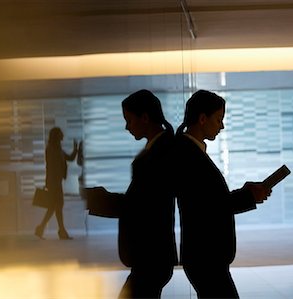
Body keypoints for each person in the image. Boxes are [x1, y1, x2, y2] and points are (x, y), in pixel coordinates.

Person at [173, 89, 272, 299]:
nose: (222, 126)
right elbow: (210, 206)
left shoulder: (190, 151)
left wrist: (247, 193)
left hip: (205, 256)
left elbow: (211, 200)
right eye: (218, 119)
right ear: (202, 119)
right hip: (206, 257)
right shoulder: (188, 155)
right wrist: (248, 196)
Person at [89, 89, 178, 298]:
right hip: (152, 257)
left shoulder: (160, 153)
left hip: (151, 257)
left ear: (144, 117)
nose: (126, 126)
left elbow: (136, 206)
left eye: (129, 120)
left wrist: (91, 198)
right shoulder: (158, 149)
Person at [35, 127, 78, 240]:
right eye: (60, 133)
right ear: (56, 135)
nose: (62, 134)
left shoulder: (58, 149)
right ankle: (61, 231)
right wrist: (48, 183)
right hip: (53, 183)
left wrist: (76, 148)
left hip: (56, 182)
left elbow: (70, 158)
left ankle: (41, 229)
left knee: (54, 207)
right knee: (57, 206)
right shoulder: (51, 149)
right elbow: (49, 167)